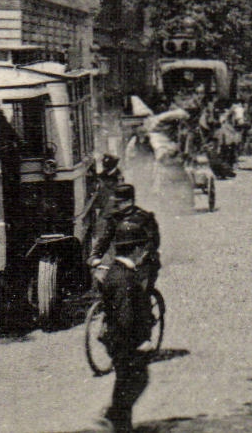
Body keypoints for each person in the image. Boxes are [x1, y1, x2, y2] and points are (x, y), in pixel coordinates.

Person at [95, 224, 157, 433]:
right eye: (142, 250)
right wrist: (140, 342)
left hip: (117, 339)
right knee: (135, 379)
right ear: (136, 250)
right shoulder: (126, 279)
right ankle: (116, 418)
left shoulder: (116, 272)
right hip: (124, 341)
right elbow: (126, 316)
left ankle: (119, 420)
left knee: (126, 381)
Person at [92, 184, 161, 289]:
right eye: (116, 203)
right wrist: (96, 256)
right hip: (122, 262)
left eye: (119, 203)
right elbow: (105, 240)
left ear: (129, 201)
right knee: (108, 283)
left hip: (144, 262)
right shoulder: (115, 219)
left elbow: (153, 242)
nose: (116, 206)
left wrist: (141, 258)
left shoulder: (144, 218)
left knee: (137, 291)